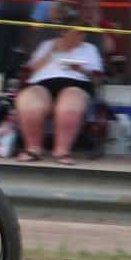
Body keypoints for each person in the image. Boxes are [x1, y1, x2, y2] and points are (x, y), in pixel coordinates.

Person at [11, 22, 105, 164]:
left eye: (83, 33)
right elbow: (30, 72)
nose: (81, 36)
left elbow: (98, 80)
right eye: (77, 32)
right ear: (63, 33)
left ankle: (62, 151)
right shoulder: (47, 45)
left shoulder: (89, 48)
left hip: (77, 83)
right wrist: (52, 51)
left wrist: (81, 69)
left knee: (69, 104)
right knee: (29, 101)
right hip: (42, 83)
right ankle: (33, 148)